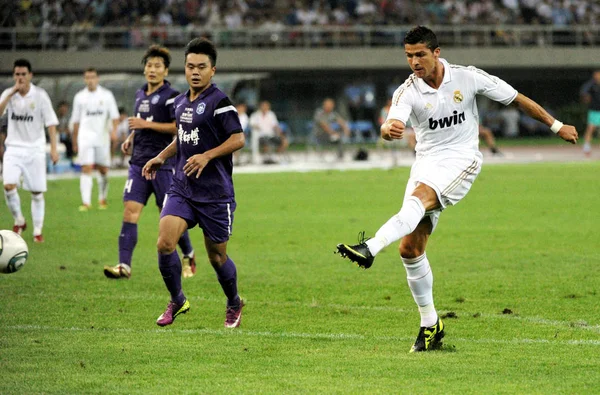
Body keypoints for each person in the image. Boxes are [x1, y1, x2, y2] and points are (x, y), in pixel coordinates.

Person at [335, 26, 578, 353]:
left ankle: (370, 247)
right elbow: (392, 122)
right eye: (408, 56)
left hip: (462, 160)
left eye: (420, 54)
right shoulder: (407, 91)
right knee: (409, 248)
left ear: (436, 52)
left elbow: (517, 99)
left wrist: (557, 125)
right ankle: (431, 324)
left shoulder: (468, 78)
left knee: (420, 199)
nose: (414, 62)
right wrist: (387, 129)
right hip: (426, 164)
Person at [142, 38, 245, 328]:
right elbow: (183, 138)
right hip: (183, 187)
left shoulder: (220, 102)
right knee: (164, 243)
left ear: (213, 70)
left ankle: (234, 301)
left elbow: (238, 138)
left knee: (217, 257)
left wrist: (207, 156)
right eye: (190, 66)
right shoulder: (179, 102)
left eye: (202, 67)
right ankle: (177, 299)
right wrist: (161, 156)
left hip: (215, 194)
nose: (195, 72)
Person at [103, 45, 197, 280]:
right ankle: (124, 266)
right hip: (138, 164)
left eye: (157, 66)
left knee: (168, 215)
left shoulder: (172, 97)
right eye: (149, 65)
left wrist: (145, 126)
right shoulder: (139, 94)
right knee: (130, 212)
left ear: (165, 71)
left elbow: (178, 127)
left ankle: (189, 253)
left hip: (163, 165)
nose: (152, 70)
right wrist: (131, 137)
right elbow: (141, 124)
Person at [0, 59, 59, 243]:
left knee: (36, 192)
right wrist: (11, 94)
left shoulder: (40, 96)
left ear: (30, 75)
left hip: (35, 149)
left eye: (23, 74)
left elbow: (50, 123)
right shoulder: (9, 95)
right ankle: (19, 220)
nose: (20, 78)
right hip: (14, 148)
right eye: (17, 74)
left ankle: (37, 231)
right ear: (13, 76)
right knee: (8, 185)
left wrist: (54, 149)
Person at [70, 67, 120, 211]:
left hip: (102, 138)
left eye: (92, 77)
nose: (90, 80)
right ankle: (86, 202)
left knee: (103, 170)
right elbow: (76, 121)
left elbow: (115, 117)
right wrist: (74, 141)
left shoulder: (106, 95)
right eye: (87, 77)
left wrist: (114, 132)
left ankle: (102, 199)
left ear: (97, 78)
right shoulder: (79, 97)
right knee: (86, 168)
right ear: (84, 79)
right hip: (85, 138)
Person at [249, 100, 288, 164]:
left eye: (266, 106)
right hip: (260, 136)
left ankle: (276, 157)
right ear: (260, 107)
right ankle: (266, 158)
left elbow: (275, 126)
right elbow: (252, 124)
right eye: (263, 106)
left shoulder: (271, 115)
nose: (265, 108)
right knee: (266, 142)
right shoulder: (255, 115)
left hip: (271, 135)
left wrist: (281, 134)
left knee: (284, 141)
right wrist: (257, 127)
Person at [580, 70, 600, 156]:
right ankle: (586, 147)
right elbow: (584, 93)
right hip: (594, 110)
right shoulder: (591, 85)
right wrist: (586, 98)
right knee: (591, 128)